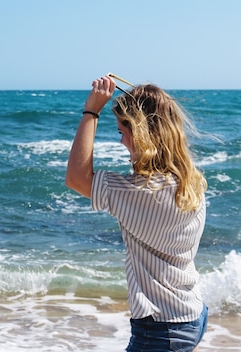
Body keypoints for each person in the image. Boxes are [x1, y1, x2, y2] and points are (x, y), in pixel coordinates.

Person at [65, 74, 208, 352]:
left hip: (160, 329)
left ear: (141, 134)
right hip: (191, 313)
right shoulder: (190, 181)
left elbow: (76, 178)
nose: (121, 142)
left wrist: (91, 111)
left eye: (122, 132)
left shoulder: (141, 192)